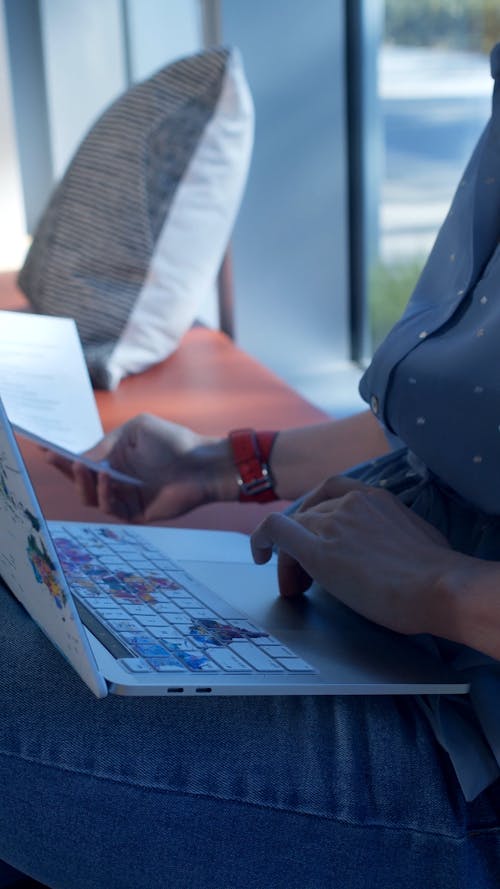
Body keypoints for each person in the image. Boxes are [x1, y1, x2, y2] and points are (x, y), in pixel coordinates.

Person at [2, 44, 500, 889]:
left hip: (466, 739)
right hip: (364, 610)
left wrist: (443, 585)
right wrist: (222, 466)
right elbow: (460, 424)